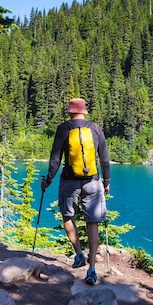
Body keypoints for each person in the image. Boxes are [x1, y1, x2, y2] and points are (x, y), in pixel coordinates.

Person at [41, 98, 110, 285]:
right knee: (93, 223)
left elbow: (55, 159)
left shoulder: (64, 128)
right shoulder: (95, 128)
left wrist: (47, 180)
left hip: (70, 181)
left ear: (70, 112)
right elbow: (104, 158)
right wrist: (107, 181)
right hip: (93, 182)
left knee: (67, 215)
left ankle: (79, 253)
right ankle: (92, 268)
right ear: (84, 111)